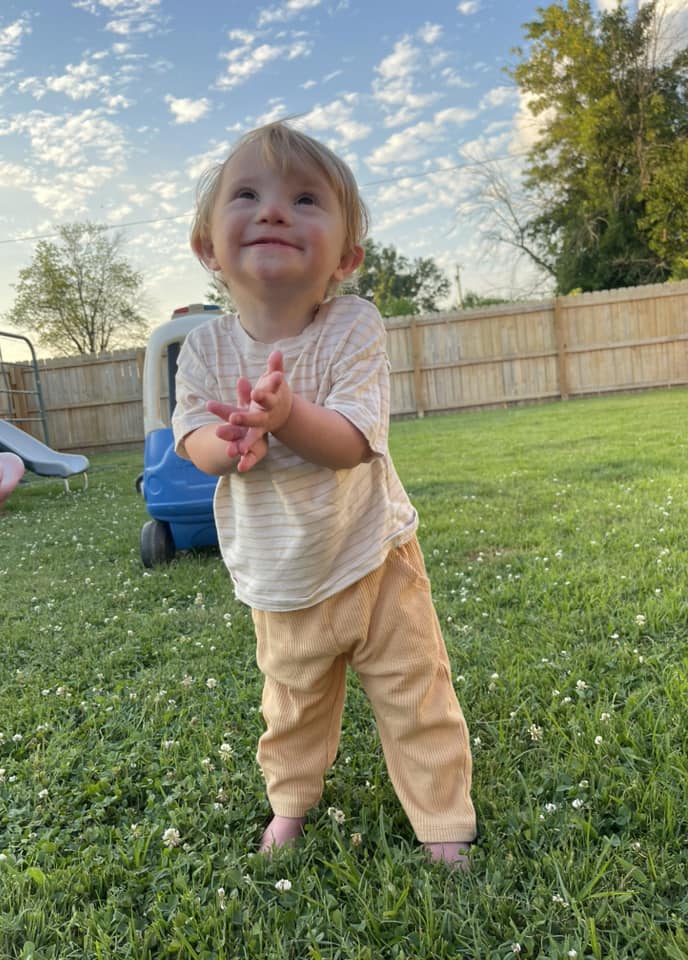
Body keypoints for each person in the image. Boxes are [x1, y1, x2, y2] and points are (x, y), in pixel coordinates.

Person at [172, 121, 477, 866]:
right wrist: (232, 443)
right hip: (280, 577)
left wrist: (283, 416)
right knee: (292, 708)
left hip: (375, 559)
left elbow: (351, 442)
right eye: (247, 195)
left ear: (345, 257)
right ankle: (290, 803)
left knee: (416, 693)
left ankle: (443, 822)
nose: (274, 210)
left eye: (305, 199)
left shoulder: (353, 326)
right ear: (208, 247)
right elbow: (192, 439)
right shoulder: (205, 347)